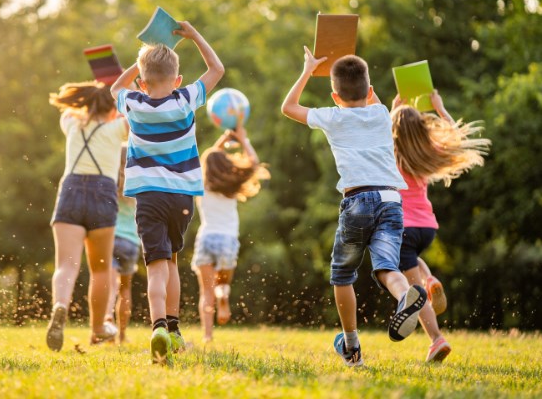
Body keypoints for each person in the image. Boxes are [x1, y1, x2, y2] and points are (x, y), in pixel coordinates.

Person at [280, 48, 427, 367]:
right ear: (371, 91)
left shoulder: (334, 116)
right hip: (391, 200)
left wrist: (307, 70)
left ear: (334, 96)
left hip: (358, 201)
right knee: (387, 267)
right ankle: (404, 296)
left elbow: (288, 107)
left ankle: (352, 347)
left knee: (342, 275)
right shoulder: (380, 113)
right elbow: (376, 100)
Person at [110, 21, 224, 365]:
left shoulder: (133, 102)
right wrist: (194, 37)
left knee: (156, 265)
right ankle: (173, 330)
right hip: (182, 198)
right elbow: (217, 68)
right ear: (177, 80)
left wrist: (142, 59)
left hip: (148, 197)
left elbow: (115, 86)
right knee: (172, 259)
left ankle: (159, 325)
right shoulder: (185, 99)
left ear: (141, 83)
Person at [391, 90, 491, 362]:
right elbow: (455, 138)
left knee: (415, 294)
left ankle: (436, 339)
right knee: (414, 262)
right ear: (421, 130)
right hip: (427, 228)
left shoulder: (393, 154)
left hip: (404, 228)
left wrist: (393, 110)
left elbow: (380, 136)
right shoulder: (425, 154)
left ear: (395, 132)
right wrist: (440, 107)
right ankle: (430, 278)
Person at [47, 81, 129, 351]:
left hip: (70, 192)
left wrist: (92, 97)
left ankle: (60, 306)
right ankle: (98, 327)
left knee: (66, 266)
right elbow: (135, 117)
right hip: (103, 195)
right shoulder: (117, 128)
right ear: (113, 109)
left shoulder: (73, 125)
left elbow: (68, 113)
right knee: (101, 269)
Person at [192, 122, 269, 342]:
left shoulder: (201, 184)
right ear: (226, 166)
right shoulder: (231, 184)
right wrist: (242, 140)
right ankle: (223, 298)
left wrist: (222, 141)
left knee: (205, 293)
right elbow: (254, 163)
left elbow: (209, 158)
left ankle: (207, 336)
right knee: (223, 282)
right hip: (227, 240)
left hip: (206, 238)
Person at [104, 144, 141, 344]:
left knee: (107, 284)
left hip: (109, 237)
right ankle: (123, 335)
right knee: (124, 289)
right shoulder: (136, 183)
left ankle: (106, 321)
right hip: (131, 241)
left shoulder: (109, 181)